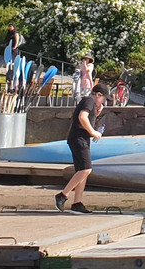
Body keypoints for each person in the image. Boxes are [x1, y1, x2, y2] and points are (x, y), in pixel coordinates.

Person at [55, 83, 109, 214]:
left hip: (80, 139)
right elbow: (82, 117)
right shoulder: (88, 100)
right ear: (98, 95)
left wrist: (96, 113)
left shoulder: (90, 104)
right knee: (86, 169)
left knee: (81, 171)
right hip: (78, 139)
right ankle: (62, 195)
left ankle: (77, 202)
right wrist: (93, 132)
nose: (104, 102)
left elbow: (86, 117)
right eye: (104, 99)